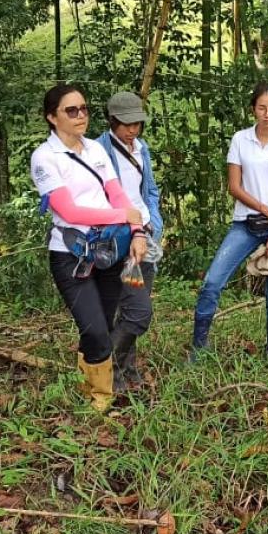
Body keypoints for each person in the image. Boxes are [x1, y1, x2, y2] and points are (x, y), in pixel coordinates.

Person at [30, 83, 147, 412]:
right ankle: (99, 402)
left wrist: (135, 229)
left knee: (104, 324)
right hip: (71, 254)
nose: (80, 115)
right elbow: (69, 211)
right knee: (94, 328)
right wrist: (122, 215)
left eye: (84, 109)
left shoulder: (95, 150)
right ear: (52, 117)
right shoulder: (44, 158)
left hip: (109, 250)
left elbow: (118, 193)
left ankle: (95, 392)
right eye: (71, 110)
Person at [190, 82, 268, 365]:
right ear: (253, 109)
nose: (267, 113)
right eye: (262, 107)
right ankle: (198, 349)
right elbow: (234, 187)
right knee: (213, 282)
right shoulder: (240, 140)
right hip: (246, 222)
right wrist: (265, 208)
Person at [97, 91, 163, 391]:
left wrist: (154, 222)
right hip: (119, 239)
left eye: (137, 123)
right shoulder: (98, 151)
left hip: (144, 235)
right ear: (112, 121)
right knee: (133, 309)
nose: (132, 129)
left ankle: (125, 367)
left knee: (135, 306)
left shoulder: (141, 148)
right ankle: (105, 366)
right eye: (126, 124)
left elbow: (149, 188)